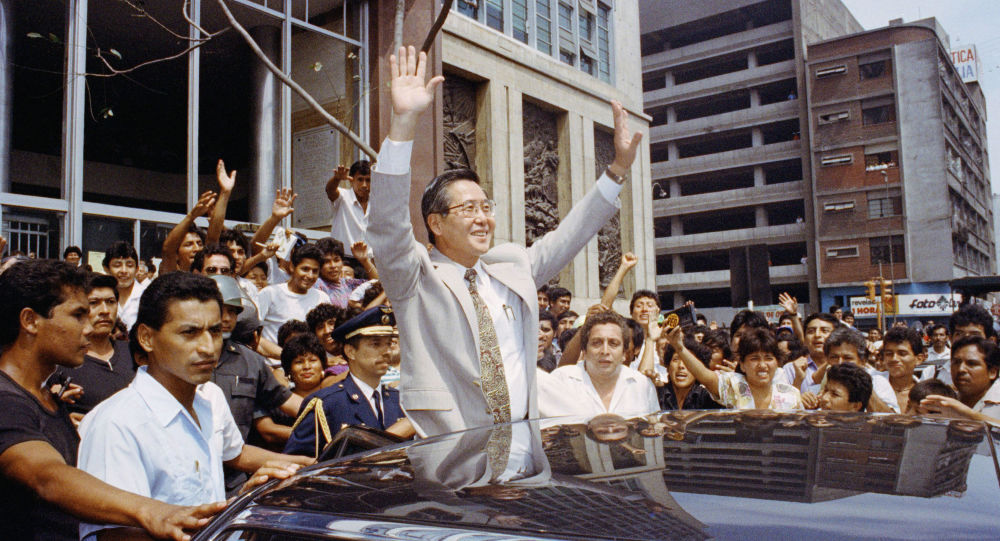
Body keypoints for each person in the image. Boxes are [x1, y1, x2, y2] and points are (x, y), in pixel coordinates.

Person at [367, 46, 641, 437]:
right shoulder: (414, 277)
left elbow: (570, 235)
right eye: (468, 209)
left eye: (486, 206)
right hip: (451, 452)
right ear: (436, 223)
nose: (483, 218)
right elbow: (386, 226)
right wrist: (403, 125)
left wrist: (616, 171)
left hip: (524, 450)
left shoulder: (512, 265)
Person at [0, 260, 224, 540]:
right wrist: (153, 511)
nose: (90, 325)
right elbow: (46, 476)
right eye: (79, 315)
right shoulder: (6, 401)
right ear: (31, 321)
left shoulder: (47, 398)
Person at [77, 272, 302, 539]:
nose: (208, 348)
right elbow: (118, 536)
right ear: (147, 338)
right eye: (190, 332)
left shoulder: (207, 402)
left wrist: (244, 501)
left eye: (216, 331)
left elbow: (229, 463)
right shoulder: (116, 425)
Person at [208, 275, 304, 495]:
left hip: (234, 481)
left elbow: (288, 401)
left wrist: (328, 411)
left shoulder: (250, 361)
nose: (227, 317)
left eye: (233, 311)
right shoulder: (182, 357)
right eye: (221, 309)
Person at [284, 306, 407, 457]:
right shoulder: (326, 404)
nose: (387, 351)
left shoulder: (399, 400)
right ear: (350, 351)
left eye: (388, 343)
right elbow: (297, 463)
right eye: (376, 344)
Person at [538, 312, 658, 418]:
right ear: (584, 350)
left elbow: (652, 431)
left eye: (613, 343)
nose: (605, 351)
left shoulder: (642, 385)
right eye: (596, 343)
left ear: (624, 353)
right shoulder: (561, 380)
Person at [51, 273, 136, 419]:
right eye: (94, 303)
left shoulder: (134, 353)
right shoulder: (61, 363)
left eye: (110, 302)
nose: (104, 310)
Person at [670, 326, 802, 410]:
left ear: (777, 362)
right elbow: (704, 375)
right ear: (742, 364)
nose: (762, 365)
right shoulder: (733, 385)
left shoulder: (791, 396)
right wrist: (679, 347)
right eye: (754, 359)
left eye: (768, 358)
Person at [254, 334, 329, 449]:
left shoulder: (334, 397)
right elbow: (269, 433)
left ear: (323, 365)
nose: (307, 366)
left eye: (312, 360)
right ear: (288, 370)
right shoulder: (277, 403)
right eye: (299, 362)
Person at [257, 243, 327, 356]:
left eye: (315, 271)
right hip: (275, 365)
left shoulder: (322, 297)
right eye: (305, 269)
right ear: (292, 267)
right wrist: (288, 357)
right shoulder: (270, 293)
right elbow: (254, 336)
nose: (310, 275)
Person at [919, 335, 999, 423]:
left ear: (992, 372)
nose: (961, 369)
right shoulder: (941, 404)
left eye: (972, 364)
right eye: (956, 362)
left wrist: (968, 415)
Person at [656, 336, 722, 411]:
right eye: (676, 359)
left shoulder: (707, 397)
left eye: (687, 362)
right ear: (668, 366)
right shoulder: (657, 394)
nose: (681, 366)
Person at [782, 313, 839, 392]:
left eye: (825, 331)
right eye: (811, 331)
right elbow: (784, 402)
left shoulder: (843, 365)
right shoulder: (790, 369)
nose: (817, 335)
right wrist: (798, 381)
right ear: (804, 339)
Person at [313, 238, 375, 308]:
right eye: (326, 262)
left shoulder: (348, 283)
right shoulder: (316, 285)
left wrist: (365, 260)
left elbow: (377, 283)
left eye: (336, 260)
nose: (333, 266)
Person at [326, 160, 373, 248]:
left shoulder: (376, 203)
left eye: (368, 180)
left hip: (367, 258)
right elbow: (330, 190)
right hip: (343, 258)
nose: (364, 185)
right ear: (351, 180)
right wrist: (337, 179)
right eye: (360, 179)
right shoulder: (343, 196)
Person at [103, 240, 146, 331]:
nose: (124, 271)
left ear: (137, 269)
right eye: (117, 265)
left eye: (129, 265)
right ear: (106, 268)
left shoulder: (147, 296)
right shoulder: (100, 297)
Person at [882, 326, 926, 412]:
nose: (894, 358)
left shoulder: (926, 395)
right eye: (889, 353)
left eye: (902, 353)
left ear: (919, 359)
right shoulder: (874, 385)